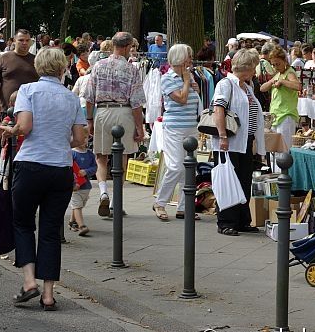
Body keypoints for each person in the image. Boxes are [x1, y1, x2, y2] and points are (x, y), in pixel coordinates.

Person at [1, 47, 87, 311]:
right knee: (51, 230)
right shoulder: (71, 98)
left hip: (30, 165)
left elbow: (25, 127)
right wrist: (61, 139)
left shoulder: (28, 91)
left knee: (23, 223)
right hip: (60, 167)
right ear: (63, 68)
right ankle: (48, 294)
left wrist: (10, 129)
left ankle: (29, 281)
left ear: (39, 68)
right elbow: (81, 141)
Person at [84, 32, 145, 218]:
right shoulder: (131, 70)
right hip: (124, 113)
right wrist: (140, 128)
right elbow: (136, 103)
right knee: (123, 157)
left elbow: (88, 97)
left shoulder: (98, 66)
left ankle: (103, 190)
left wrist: (89, 120)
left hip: (102, 112)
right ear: (127, 47)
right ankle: (116, 202)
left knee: (101, 157)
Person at [211, 49, 265, 236]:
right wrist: (222, 135)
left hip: (244, 141)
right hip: (230, 141)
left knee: (243, 180)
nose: (255, 71)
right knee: (228, 181)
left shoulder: (246, 86)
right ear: (247, 67)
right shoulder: (226, 84)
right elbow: (218, 109)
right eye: (253, 67)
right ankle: (226, 221)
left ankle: (242, 220)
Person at [152, 44, 201, 222]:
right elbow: (181, 99)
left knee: (189, 168)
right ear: (181, 58)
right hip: (174, 127)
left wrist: (190, 82)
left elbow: (195, 97)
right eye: (189, 56)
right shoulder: (167, 78)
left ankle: (184, 207)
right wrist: (187, 82)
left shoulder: (189, 75)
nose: (191, 59)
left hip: (191, 126)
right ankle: (160, 201)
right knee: (175, 166)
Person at [0, 29, 38, 117]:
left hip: (30, 109)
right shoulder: (4, 58)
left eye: (27, 40)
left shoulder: (36, 60)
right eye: (21, 40)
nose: (24, 43)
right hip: (7, 110)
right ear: (14, 41)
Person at [261, 46, 300, 151]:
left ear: (284, 61)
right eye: (273, 64)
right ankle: (275, 168)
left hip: (286, 115)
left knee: (284, 149)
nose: (275, 67)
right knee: (274, 149)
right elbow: (262, 88)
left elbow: (298, 86)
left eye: (278, 64)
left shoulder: (290, 72)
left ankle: (285, 168)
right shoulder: (278, 74)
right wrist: (271, 82)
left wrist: (282, 81)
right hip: (275, 116)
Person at [69, 127, 96, 236]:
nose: (83, 140)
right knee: (77, 205)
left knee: (79, 205)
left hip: (86, 186)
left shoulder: (90, 154)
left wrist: (86, 171)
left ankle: (72, 222)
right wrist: (73, 182)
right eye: (80, 137)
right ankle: (81, 226)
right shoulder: (72, 153)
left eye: (85, 138)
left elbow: (94, 167)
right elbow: (69, 169)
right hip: (76, 186)